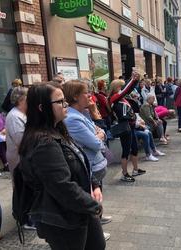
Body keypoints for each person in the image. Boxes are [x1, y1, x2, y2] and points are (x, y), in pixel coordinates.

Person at [19, 83, 106, 250]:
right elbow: (61, 185)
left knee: (97, 245)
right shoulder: (44, 142)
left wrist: (94, 184)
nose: (66, 105)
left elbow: (80, 159)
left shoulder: (58, 129)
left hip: (79, 209)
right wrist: (93, 205)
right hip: (62, 218)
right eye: (60, 102)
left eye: (65, 100)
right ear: (41, 107)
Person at [63, 80, 111, 239]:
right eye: (85, 92)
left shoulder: (82, 113)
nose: (89, 95)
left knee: (97, 195)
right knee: (91, 198)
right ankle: (96, 232)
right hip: (90, 165)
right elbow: (96, 143)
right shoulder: (72, 118)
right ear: (75, 97)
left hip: (96, 165)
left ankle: (98, 219)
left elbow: (100, 130)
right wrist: (99, 136)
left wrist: (99, 134)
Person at [109, 74, 146, 182]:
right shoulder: (114, 98)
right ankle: (124, 173)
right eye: (120, 86)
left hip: (131, 127)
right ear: (116, 88)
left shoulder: (121, 98)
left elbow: (127, 91)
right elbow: (126, 90)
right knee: (126, 151)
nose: (122, 89)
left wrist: (135, 80)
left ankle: (135, 169)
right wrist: (133, 79)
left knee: (134, 149)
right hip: (125, 128)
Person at [5, 87, 28, 177]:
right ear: (22, 99)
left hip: (22, 159)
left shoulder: (22, 113)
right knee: (21, 188)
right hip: (18, 160)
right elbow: (21, 142)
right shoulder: (15, 117)